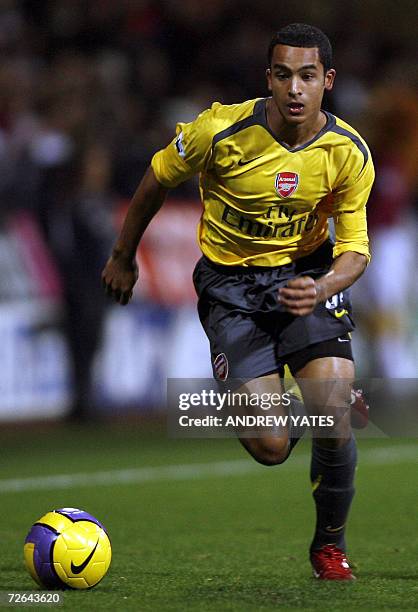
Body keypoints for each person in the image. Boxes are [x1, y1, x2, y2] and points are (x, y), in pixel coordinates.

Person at [102, 23, 374, 580]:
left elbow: (355, 253)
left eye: (307, 76)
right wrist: (125, 255)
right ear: (267, 79)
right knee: (271, 446)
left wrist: (321, 288)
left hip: (307, 278)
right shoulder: (220, 131)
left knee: (335, 410)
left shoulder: (348, 153)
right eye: (283, 75)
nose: (295, 89)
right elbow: (156, 181)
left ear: (328, 80)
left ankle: (329, 547)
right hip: (231, 291)